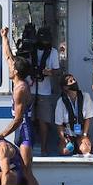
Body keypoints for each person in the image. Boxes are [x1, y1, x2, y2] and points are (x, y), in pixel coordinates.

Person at [0, 28, 43, 185]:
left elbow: (18, 120)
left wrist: (1, 135)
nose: (9, 66)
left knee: (27, 170)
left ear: (15, 71)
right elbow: (8, 57)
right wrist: (4, 37)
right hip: (19, 129)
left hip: (24, 130)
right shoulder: (16, 78)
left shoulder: (20, 89)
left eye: (12, 67)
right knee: (22, 170)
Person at [29, 27, 61, 155]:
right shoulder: (29, 50)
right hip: (29, 89)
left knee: (44, 121)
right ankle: (28, 147)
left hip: (44, 91)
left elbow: (57, 71)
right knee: (28, 120)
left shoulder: (53, 52)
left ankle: (43, 148)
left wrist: (49, 72)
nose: (45, 43)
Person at [53, 75, 89, 155]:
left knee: (85, 149)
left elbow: (87, 119)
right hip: (67, 134)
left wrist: (85, 135)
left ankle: (80, 144)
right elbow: (59, 124)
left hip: (81, 132)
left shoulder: (86, 96)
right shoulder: (61, 101)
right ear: (65, 87)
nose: (74, 82)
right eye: (71, 81)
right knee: (65, 151)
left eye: (74, 80)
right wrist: (64, 139)